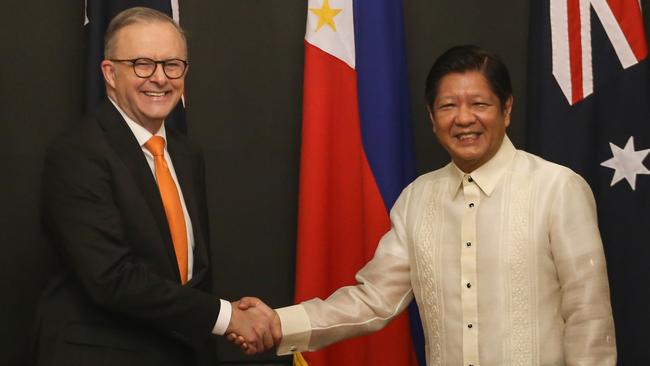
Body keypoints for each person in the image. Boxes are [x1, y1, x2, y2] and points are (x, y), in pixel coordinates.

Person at [231, 45, 617, 365]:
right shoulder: (418, 198)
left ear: (507, 109)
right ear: (432, 118)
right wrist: (280, 323)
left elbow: (589, 317)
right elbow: (373, 300)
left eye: (479, 103)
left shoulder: (557, 188)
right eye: (448, 106)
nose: (464, 118)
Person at [34, 7, 278, 366]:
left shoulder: (186, 153)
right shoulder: (78, 152)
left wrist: (224, 321)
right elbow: (112, 279)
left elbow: (191, 275)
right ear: (110, 73)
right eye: (142, 64)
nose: (160, 78)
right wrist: (227, 318)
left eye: (172, 65)